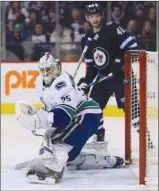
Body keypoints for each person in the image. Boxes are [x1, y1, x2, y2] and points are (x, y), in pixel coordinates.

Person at [15, 53, 124, 184]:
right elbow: (52, 107)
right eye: (43, 70)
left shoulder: (63, 84)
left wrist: (39, 120)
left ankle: (52, 169)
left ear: (57, 68)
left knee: (59, 143)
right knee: (68, 155)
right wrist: (41, 115)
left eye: (49, 69)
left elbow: (64, 117)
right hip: (77, 114)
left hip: (87, 114)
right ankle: (105, 160)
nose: (46, 73)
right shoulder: (40, 81)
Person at [78, 3, 139, 142]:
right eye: (91, 16)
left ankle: (146, 141)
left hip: (121, 76)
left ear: (102, 15)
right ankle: (99, 135)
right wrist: (87, 81)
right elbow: (92, 66)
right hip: (102, 78)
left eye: (97, 15)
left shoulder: (112, 28)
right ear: (87, 18)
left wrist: (119, 64)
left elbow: (133, 48)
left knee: (131, 109)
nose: (95, 19)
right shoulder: (87, 39)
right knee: (93, 107)